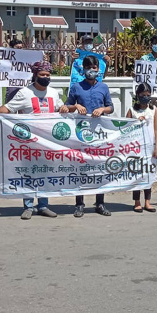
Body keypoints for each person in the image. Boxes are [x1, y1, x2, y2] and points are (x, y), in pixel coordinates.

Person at [0, 60, 69, 219]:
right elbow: (8, 109)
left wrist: (64, 108)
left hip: (47, 142)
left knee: (45, 173)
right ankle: (28, 206)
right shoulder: (24, 93)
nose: (45, 77)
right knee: (28, 173)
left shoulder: (54, 93)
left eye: (48, 75)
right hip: (28, 142)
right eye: (42, 75)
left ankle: (43, 205)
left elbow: (61, 108)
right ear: (35, 75)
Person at [65, 55, 114, 217]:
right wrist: (76, 106)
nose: (91, 70)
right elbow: (66, 107)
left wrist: (102, 110)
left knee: (100, 168)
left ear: (98, 69)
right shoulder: (76, 87)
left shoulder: (104, 87)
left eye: (94, 68)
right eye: (88, 67)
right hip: (81, 134)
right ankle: (79, 204)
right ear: (83, 69)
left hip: (100, 134)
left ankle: (100, 202)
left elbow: (111, 108)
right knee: (81, 169)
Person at [125, 82, 157, 213]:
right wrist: (135, 121)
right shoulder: (132, 110)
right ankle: (137, 201)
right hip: (136, 148)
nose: (145, 97)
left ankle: (147, 201)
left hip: (150, 147)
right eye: (143, 95)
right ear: (138, 95)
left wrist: (156, 147)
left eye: (148, 95)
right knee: (137, 175)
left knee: (149, 174)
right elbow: (125, 128)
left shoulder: (153, 110)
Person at [4, 38, 26, 103]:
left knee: (23, 103)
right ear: (11, 47)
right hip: (12, 83)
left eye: (21, 47)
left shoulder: (26, 56)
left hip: (24, 83)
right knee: (10, 102)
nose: (19, 49)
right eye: (17, 47)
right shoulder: (6, 56)